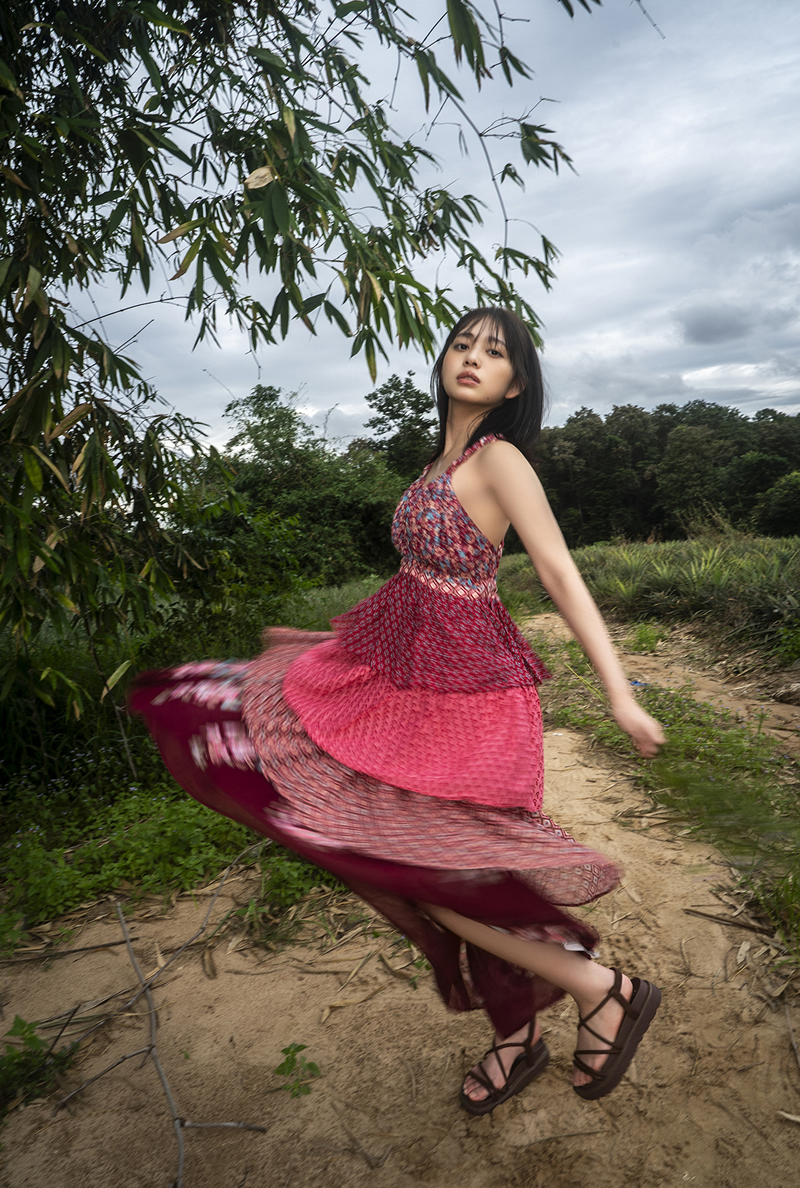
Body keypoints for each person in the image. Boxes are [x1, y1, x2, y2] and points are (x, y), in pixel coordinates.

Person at [131, 306, 665, 1116]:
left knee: (439, 870)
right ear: (443, 360)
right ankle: (518, 1034)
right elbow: (418, 586)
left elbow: (559, 572)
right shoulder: (435, 463)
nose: (473, 357)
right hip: (403, 681)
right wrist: (338, 657)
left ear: (516, 384)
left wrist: (619, 693)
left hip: (472, 692)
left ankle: (602, 989)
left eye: (496, 353)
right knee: (418, 858)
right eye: (462, 344)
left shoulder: (500, 459)